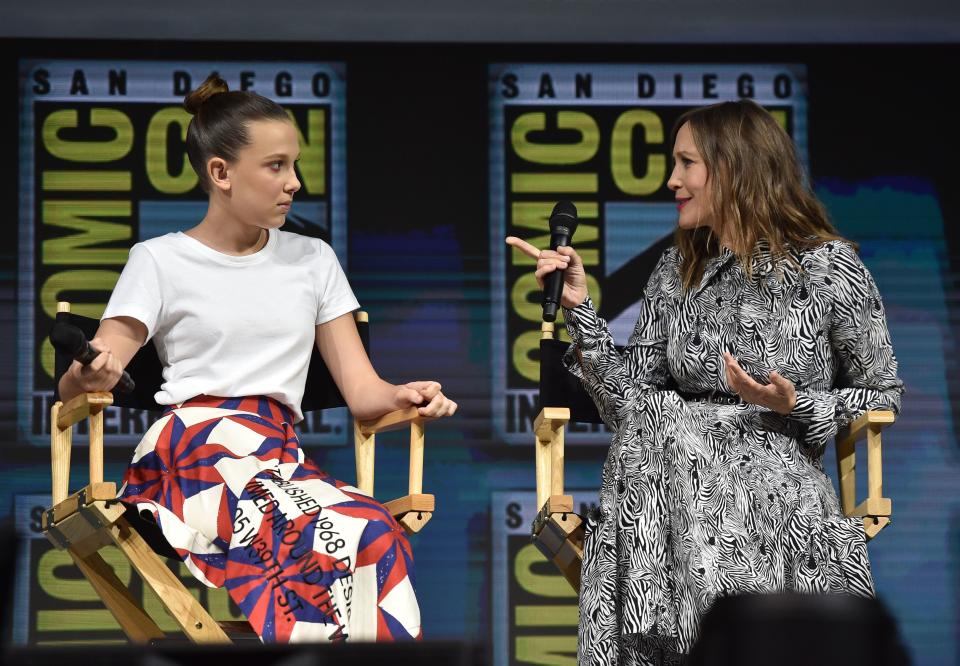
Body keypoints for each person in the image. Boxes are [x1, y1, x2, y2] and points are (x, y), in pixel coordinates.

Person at [57, 74, 457, 643]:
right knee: (287, 528)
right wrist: (90, 372)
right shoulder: (160, 260)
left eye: (294, 165)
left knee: (370, 531)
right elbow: (84, 384)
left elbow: (364, 392)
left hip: (277, 455)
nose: (294, 183)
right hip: (193, 450)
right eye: (276, 166)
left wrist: (405, 395)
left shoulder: (313, 259)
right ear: (220, 172)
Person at [507, 99, 903, 665]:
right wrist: (581, 308)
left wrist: (796, 403)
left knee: (667, 439)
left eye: (686, 163)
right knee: (657, 426)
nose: (672, 180)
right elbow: (631, 405)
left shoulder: (829, 269)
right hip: (663, 467)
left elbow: (883, 393)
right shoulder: (676, 269)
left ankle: (672, 634)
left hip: (771, 470)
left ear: (735, 167)